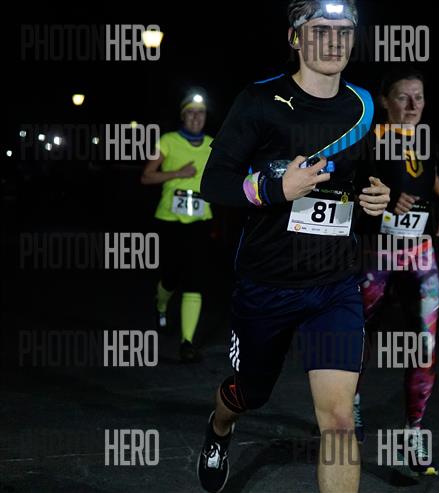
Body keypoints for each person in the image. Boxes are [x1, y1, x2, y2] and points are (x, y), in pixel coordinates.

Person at [195, 1, 390, 492]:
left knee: (339, 421)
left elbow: (363, 178)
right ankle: (220, 427)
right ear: (295, 37)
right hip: (267, 282)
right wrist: (273, 189)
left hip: (334, 286)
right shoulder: (260, 100)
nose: (334, 40)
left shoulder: (364, 106)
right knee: (249, 394)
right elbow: (213, 183)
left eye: (344, 31)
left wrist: (375, 199)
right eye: (320, 29)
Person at [354, 67, 439, 476]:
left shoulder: (425, 138)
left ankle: (414, 431)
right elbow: (352, 182)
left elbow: (430, 175)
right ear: (384, 101)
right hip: (376, 253)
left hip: (420, 252)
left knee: (425, 345)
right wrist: (384, 196)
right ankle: (349, 403)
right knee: (356, 334)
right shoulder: (370, 140)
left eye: (420, 97)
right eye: (403, 97)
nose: (413, 106)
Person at [140, 90, 213, 362]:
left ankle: (187, 342)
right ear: (183, 116)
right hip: (170, 220)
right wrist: (178, 173)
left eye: (201, 113)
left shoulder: (213, 145)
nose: (196, 117)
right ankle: (160, 304)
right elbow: (146, 176)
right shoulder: (167, 141)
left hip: (200, 221)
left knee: (195, 278)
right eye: (190, 112)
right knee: (171, 275)